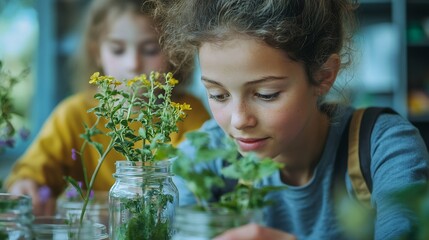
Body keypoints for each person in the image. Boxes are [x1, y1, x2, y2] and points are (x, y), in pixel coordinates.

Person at [155, 0, 429, 239]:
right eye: (218, 94)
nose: (239, 120)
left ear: (323, 76)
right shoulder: (204, 155)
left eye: (266, 94)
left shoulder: (383, 147)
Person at [4, 0, 210, 216]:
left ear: (173, 52)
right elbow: (34, 170)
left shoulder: (188, 113)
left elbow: (205, 177)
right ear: (97, 53)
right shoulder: (74, 115)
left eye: (150, 50)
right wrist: (26, 184)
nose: (133, 64)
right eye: (118, 50)